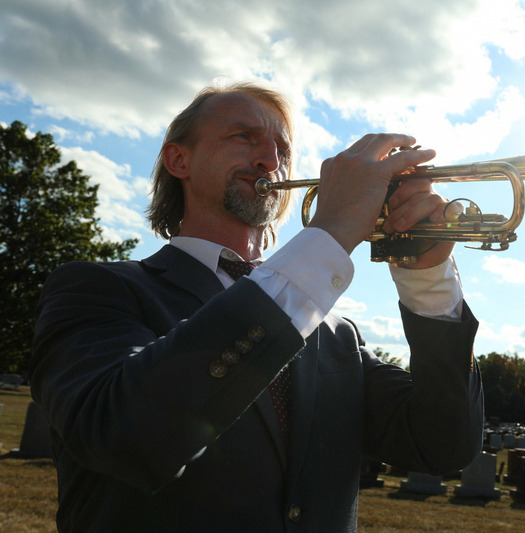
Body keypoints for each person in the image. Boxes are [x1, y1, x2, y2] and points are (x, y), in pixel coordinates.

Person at [31, 81, 484, 532]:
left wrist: (427, 279)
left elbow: (443, 446)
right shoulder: (97, 288)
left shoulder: (336, 332)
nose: (271, 159)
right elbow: (118, 435)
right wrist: (331, 233)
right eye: (244, 137)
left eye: (282, 149)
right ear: (179, 160)